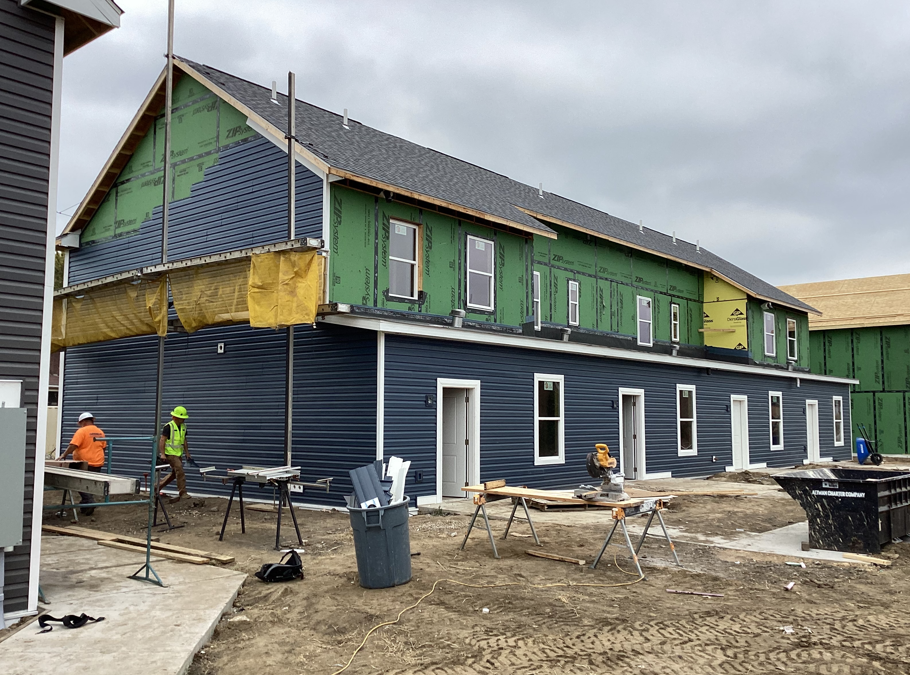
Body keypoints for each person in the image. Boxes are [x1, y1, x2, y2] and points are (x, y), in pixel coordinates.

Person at [61, 412, 107, 515]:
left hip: (84, 463)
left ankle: (89, 502)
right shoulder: (100, 432)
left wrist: (63, 455)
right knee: (89, 485)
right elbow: (103, 447)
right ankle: (85, 505)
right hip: (98, 463)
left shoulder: (82, 431)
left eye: (80, 423)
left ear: (84, 422)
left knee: (79, 484)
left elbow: (73, 445)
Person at [158, 405, 192, 503]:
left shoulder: (184, 427)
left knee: (174, 474)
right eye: (182, 419)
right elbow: (162, 440)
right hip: (170, 454)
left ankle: (157, 487)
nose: (183, 420)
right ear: (175, 417)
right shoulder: (168, 426)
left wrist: (187, 453)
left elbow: (184, 440)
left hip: (178, 454)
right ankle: (183, 492)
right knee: (180, 471)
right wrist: (163, 454)